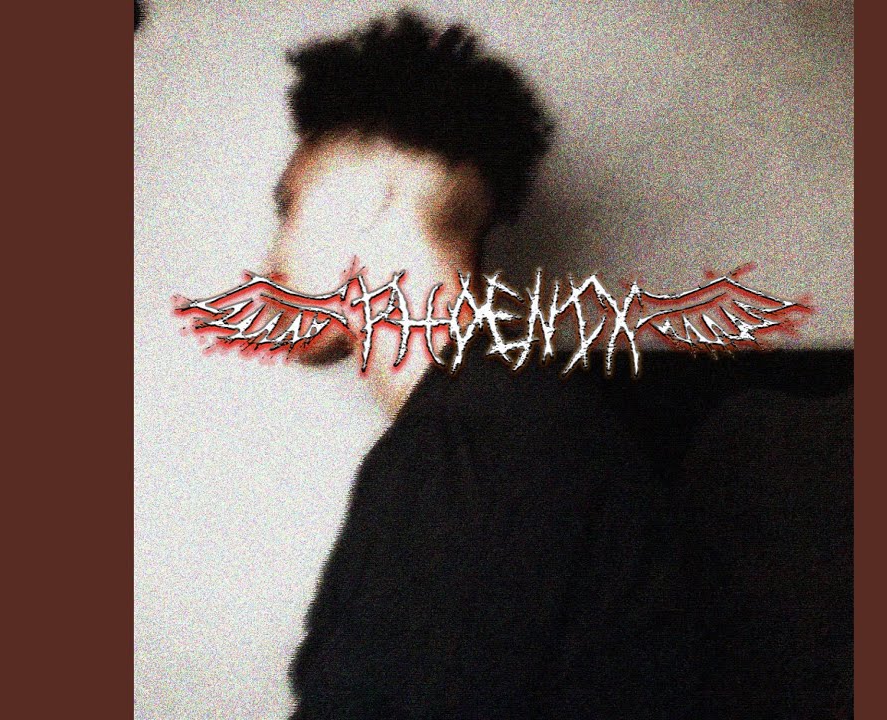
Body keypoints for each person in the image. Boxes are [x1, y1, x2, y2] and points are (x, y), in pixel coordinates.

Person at [266, 9, 852, 718]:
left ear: (363, 198)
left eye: (289, 208)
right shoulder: (501, 421)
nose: (270, 258)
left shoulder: (472, 447)